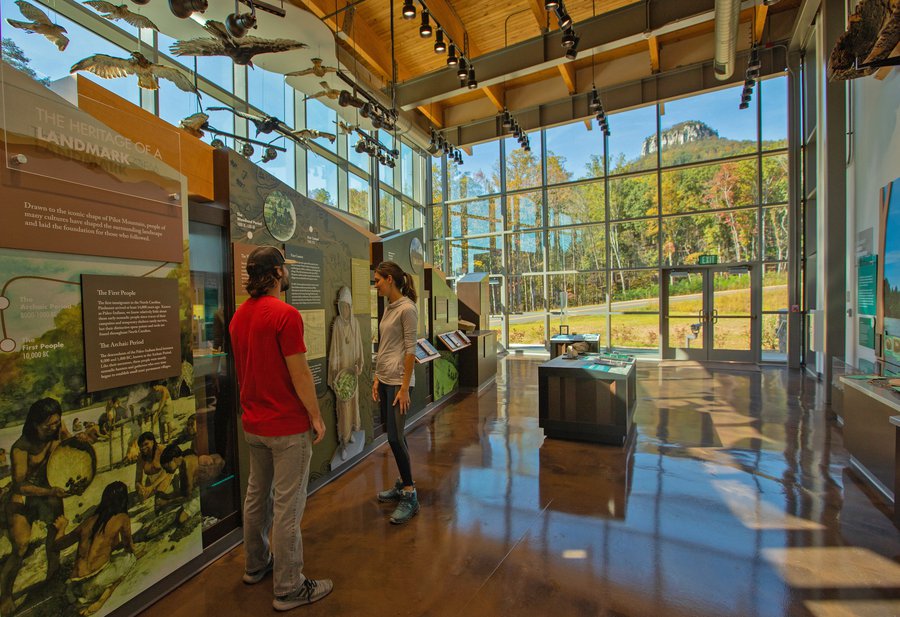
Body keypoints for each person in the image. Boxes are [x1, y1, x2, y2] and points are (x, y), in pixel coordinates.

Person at [228, 245, 332, 610]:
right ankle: (288, 586)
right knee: (288, 506)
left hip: (254, 424)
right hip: (286, 427)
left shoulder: (239, 317)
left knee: (257, 495)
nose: (287, 273)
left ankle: (255, 565)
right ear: (275, 273)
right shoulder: (285, 315)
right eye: (284, 268)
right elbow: (300, 373)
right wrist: (316, 416)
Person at [0, 398, 71, 617]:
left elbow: (71, 447)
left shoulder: (57, 430)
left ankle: (52, 578)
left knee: (56, 532)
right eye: (47, 425)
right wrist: (49, 492)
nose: (53, 428)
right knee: (21, 546)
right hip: (24, 495)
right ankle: (4, 595)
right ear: (34, 424)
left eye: (56, 424)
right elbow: (21, 485)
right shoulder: (20, 448)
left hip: (49, 491)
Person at [372, 261, 420, 525]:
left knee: (393, 437)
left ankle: (410, 493)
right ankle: (403, 483)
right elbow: (387, 347)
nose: (375, 285)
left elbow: (410, 350)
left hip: (400, 383)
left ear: (390, 279)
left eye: (377, 280)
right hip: (387, 379)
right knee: (396, 435)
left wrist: (404, 387)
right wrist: (378, 378)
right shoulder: (389, 308)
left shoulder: (407, 309)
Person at [53, 481, 140, 616]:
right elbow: (129, 546)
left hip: (72, 587)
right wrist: (134, 550)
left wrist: (61, 527)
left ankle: (80, 602)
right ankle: (102, 598)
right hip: (92, 586)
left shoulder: (89, 521)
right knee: (130, 559)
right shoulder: (122, 518)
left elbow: (58, 544)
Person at [327, 286, 364, 460]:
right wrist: (335, 373)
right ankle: (343, 439)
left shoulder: (355, 323)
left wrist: (358, 365)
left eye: (347, 306)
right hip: (342, 374)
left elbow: (359, 348)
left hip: (352, 373)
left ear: (350, 306)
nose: (344, 309)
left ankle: (351, 433)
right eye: (342, 306)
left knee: (353, 404)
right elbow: (334, 351)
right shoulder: (337, 325)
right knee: (342, 408)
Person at [156, 444, 200, 525]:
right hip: (194, 490)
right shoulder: (182, 463)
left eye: (166, 468)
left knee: (181, 519)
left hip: (201, 492)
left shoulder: (187, 465)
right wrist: (167, 497)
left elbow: (188, 496)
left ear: (173, 460)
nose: (166, 471)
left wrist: (167, 502)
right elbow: (183, 491)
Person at [134, 432, 170, 502]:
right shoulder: (141, 457)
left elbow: (167, 471)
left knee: (159, 496)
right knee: (142, 499)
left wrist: (152, 487)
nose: (143, 447)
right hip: (151, 481)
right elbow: (137, 480)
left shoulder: (162, 450)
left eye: (146, 444)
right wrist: (140, 488)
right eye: (141, 446)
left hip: (165, 477)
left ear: (153, 442)